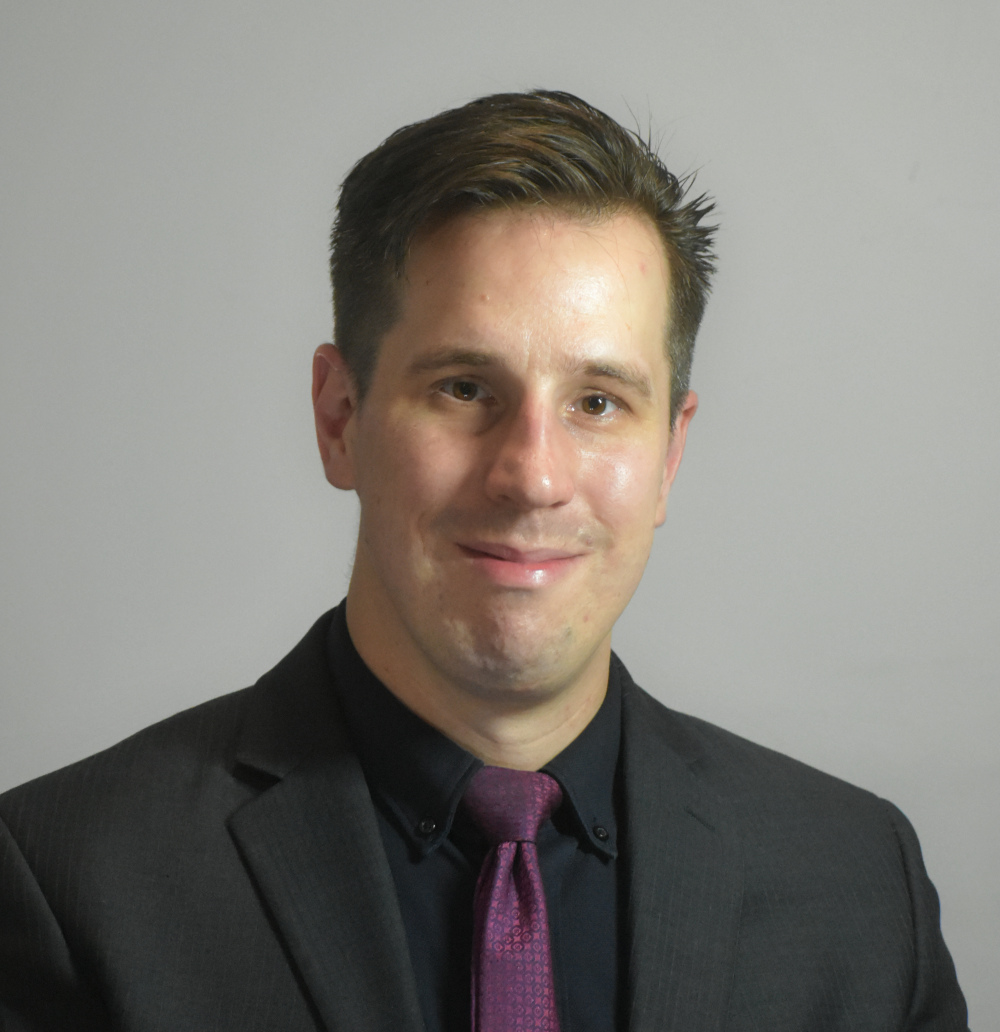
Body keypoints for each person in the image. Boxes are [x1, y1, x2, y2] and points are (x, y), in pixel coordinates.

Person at [0, 90, 968, 1032]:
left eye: (597, 402)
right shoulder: (69, 881)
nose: (532, 476)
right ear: (341, 420)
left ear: (669, 454)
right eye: (464, 388)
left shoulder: (854, 882)